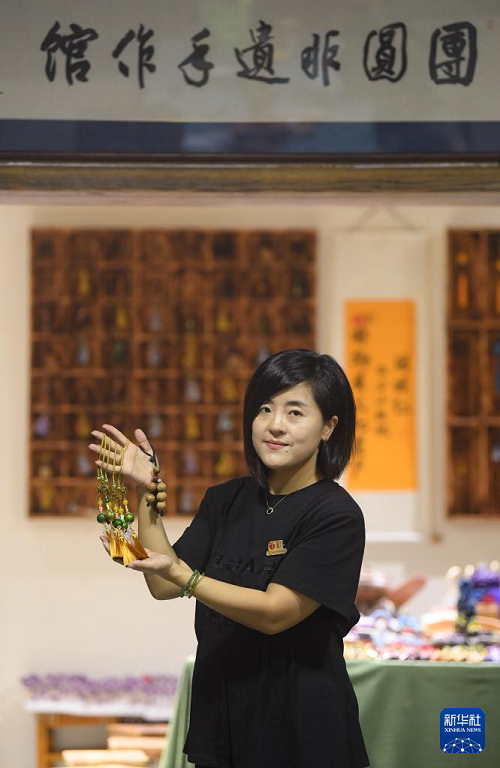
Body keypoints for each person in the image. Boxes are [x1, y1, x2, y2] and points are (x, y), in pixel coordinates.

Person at [89, 348, 370, 768]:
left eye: (295, 412)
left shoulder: (336, 515)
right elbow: (162, 583)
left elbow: (275, 613)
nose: (275, 425)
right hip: (220, 722)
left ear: (328, 427)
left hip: (301, 730)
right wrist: (146, 491)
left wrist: (187, 577)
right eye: (264, 409)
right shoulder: (225, 499)